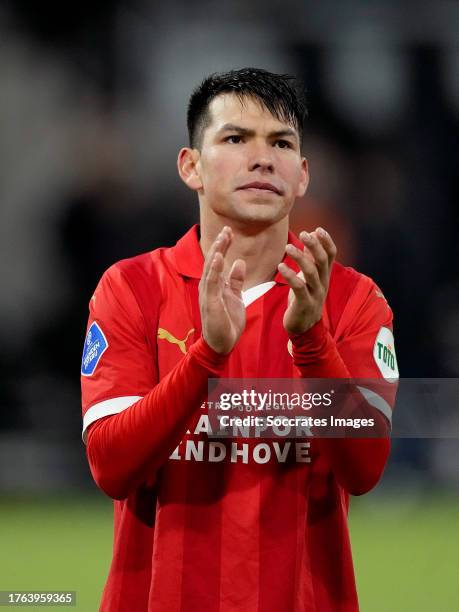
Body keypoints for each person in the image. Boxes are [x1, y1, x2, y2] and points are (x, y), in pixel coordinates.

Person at [81, 68, 398, 612]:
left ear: (301, 176)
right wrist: (206, 356)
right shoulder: (130, 288)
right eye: (235, 139)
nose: (262, 158)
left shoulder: (353, 300)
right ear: (191, 167)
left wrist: (312, 342)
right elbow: (112, 467)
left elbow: (365, 469)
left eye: (280, 143)